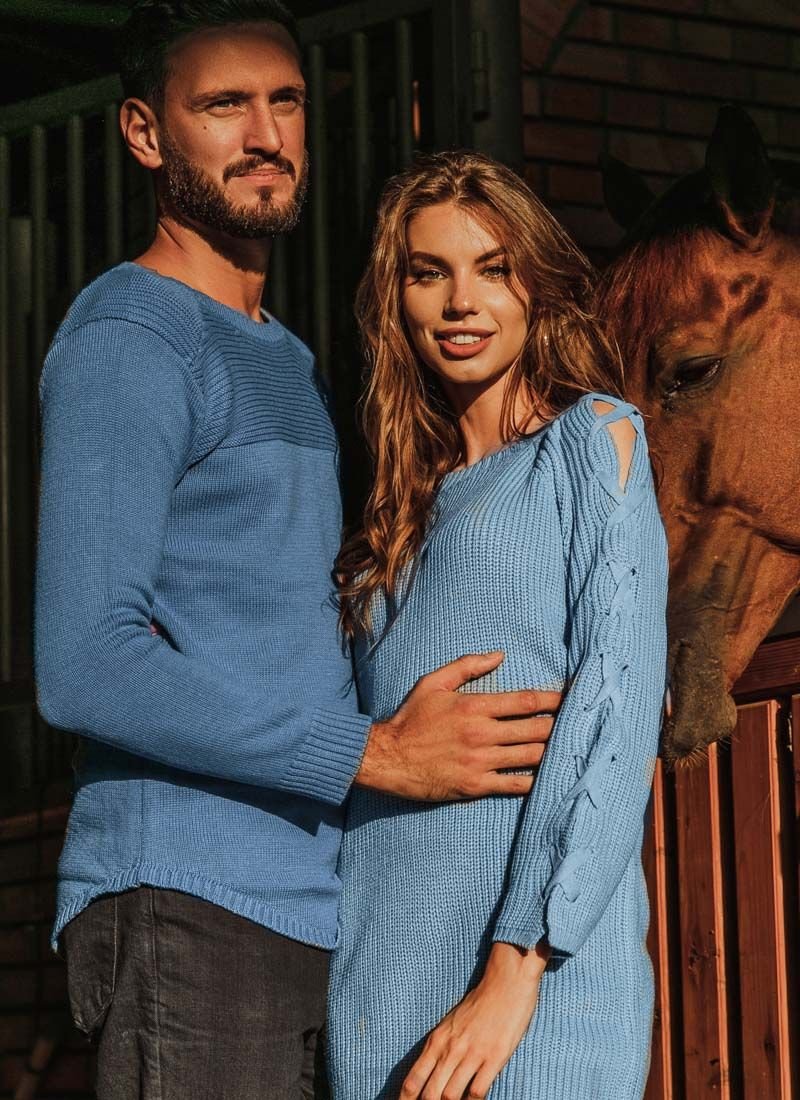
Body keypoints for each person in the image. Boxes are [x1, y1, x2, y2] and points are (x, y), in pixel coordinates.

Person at [33, 7, 559, 1100]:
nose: (265, 134)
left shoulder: (288, 358)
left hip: (313, 905)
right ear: (145, 133)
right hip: (188, 896)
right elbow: (86, 661)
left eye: (285, 102)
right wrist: (372, 754)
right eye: (224, 105)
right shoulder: (131, 337)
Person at [328, 151, 669, 1100]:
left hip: (536, 988)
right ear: (397, 300)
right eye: (428, 272)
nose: (460, 302)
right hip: (376, 989)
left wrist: (518, 968)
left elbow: (613, 709)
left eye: (492, 268)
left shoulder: (592, 440)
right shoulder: (386, 527)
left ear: (536, 287)